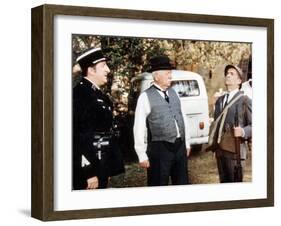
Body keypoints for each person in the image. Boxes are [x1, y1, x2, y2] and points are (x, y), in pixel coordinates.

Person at [133, 55, 191, 186]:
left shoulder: (174, 93)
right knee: (158, 184)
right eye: (167, 73)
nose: (171, 76)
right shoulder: (145, 97)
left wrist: (186, 143)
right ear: (156, 76)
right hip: (160, 148)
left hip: (179, 147)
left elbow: (183, 118)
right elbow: (139, 127)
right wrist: (141, 154)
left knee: (182, 184)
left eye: (170, 73)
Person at [72, 47, 124, 190]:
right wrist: (88, 172)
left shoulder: (99, 95)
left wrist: (107, 168)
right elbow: (75, 137)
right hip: (87, 172)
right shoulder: (79, 95)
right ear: (91, 70)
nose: (107, 70)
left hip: (101, 165)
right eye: (103, 66)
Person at [209, 64, 252, 183]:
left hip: (235, 151)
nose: (228, 75)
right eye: (227, 73)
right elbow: (217, 123)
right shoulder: (220, 100)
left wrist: (243, 131)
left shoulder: (245, 100)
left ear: (239, 81)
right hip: (220, 151)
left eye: (232, 74)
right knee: (224, 184)